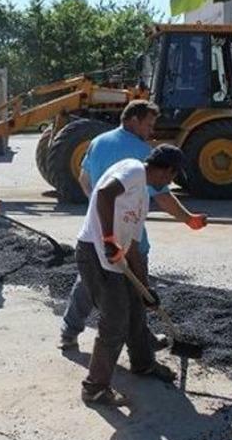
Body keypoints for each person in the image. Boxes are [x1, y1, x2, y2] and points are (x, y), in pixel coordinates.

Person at [58, 100, 207, 350]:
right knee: (135, 290)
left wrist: (98, 210)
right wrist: (188, 218)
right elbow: (162, 195)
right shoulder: (142, 152)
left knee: (87, 283)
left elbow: (85, 179)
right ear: (133, 120)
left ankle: (69, 332)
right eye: (148, 124)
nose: (151, 130)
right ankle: (140, 344)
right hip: (128, 235)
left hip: (95, 234)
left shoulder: (98, 142)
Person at [77, 145, 187, 406]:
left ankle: (143, 364)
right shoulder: (133, 169)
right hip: (95, 253)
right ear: (167, 171)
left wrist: (145, 290)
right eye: (173, 176)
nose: (170, 182)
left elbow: (134, 248)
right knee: (115, 320)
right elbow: (104, 194)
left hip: (117, 257)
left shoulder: (143, 197)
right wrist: (108, 239)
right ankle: (95, 388)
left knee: (136, 310)